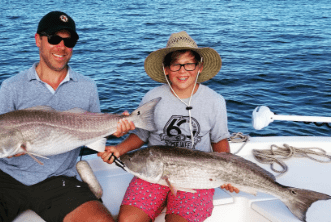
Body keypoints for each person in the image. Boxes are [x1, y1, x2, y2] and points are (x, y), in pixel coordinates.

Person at [0, 11, 134, 222]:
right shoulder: (12, 86)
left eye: (69, 41)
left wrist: (117, 129)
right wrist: (10, 148)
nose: (61, 46)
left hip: (60, 179)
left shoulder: (87, 86)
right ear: (38, 40)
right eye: (54, 39)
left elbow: (92, 134)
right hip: (7, 179)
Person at [98, 31, 239, 222]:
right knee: (128, 220)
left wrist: (228, 174)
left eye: (189, 64)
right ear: (166, 69)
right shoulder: (152, 98)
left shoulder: (215, 101)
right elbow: (141, 135)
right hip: (153, 170)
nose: (182, 71)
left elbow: (219, 140)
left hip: (196, 175)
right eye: (176, 64)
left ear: (199, 67)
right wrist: (118, 148)